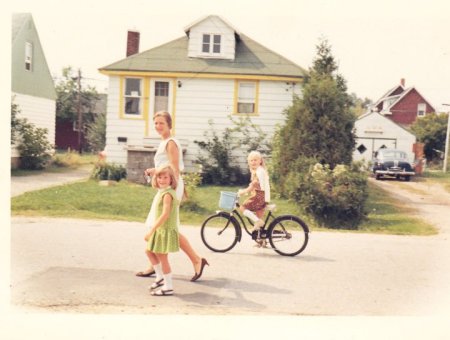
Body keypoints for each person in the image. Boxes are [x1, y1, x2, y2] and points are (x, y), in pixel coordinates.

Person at [136, 111, 208, 282]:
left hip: (171, 186)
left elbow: (175, 168)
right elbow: (166, 166)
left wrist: (168, 187)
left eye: (161, 123)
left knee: (167, 226)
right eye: (156, 123)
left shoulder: (171, 143)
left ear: (169, 125)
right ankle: (156, 265)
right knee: (163, 225)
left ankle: (196, 260)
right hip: (167, 186)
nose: (158, 126)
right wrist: (156, 172)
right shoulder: (163, 142)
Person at [145, 165, 179, 296]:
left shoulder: (167, 195)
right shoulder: (163, 192)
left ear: (171, 180)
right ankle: (159, 277)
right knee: (148, 251)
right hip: (160, 229)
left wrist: (152, 229)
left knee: (163, 258)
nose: (162, 180)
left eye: (166, 177)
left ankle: (168, 286)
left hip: (164, 230)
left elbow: (165, 214)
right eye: (159, 177)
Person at [238, 151, 271, 247]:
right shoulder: (259, 170)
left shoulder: (259, 172)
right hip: (262, 197)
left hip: (259, 196)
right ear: (249, 162)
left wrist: (243, 192)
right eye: (251, 160)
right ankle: (262, 241)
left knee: (243, 207)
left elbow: (253, 185)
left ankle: (257, 222)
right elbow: (257, 185)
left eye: (255, 160)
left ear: (260, 161)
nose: (253, 162)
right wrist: (248, 192)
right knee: (259, 218)